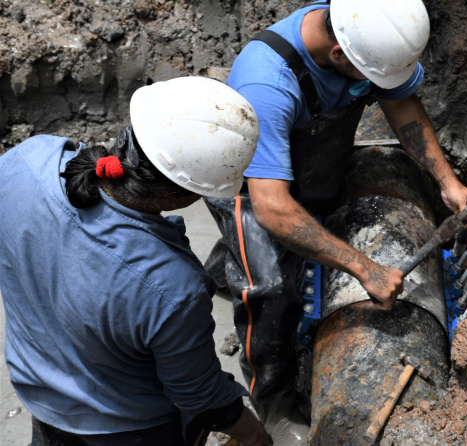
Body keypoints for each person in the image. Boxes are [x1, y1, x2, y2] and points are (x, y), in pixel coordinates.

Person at [203, 0, 467, 442]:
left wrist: (446, 183)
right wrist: (364, 268)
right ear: (338, 57)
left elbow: (402, 105)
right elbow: (273, 207)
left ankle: (225, 267)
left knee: (310, 208)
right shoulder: (268, 82)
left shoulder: (365, 26)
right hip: (251, 188)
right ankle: (274, 399)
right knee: (270, 288)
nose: (378, 85)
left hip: (306, 166)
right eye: (371, 77)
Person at [0, 77, 273, 446]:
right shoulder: (172, 286)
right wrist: (252, 433)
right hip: (128, 428)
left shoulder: (27, 160)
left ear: (128, 132)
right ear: (184, 197)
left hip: (42, 396)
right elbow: (199, 395)